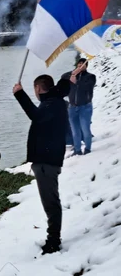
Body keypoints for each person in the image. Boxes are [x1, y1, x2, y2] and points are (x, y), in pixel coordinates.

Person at [13, 75, 70, 254]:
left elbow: (35, 116)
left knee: (50, 202)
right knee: (50, 201)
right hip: (46, 160)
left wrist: (20, 94)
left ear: (38, 88)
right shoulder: (54, 101)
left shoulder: (52, 104)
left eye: (34, 89)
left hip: (47, 161)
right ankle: (53, 236)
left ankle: (53, 240)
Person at [61, 57, 96, 155]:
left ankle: (88, 149)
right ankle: (77, 150)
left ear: (86, 66)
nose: (81, 66)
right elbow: (63, 77)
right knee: (75, 131)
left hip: (85, 107)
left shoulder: (90, 77)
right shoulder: (71, 75)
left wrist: (76, 81)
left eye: (83, 64)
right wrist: (73, 74)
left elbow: (87, 87)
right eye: (79, 64)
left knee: (85, 129)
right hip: (72, 108)